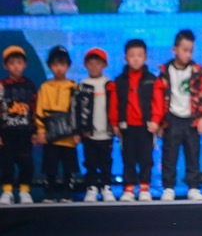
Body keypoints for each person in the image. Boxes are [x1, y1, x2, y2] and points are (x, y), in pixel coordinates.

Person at [150, 30, 202, 201]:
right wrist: (159, 122)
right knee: (169, 156)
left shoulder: (197, 71)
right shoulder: (165, 71)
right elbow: (159, 98)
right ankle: (168, 187)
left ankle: (193, 187)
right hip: (172, 119)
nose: (188, 54)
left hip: (191, 119)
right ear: (174, 50)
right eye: (185, 50)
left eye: (191, 51)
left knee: (193, 154)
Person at [108, 39, 157, 202]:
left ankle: (144, 187)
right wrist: (114, 123)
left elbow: (157, 102)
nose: (136, 59)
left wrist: (156, 121)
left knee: (146, 158)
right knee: (128, 158)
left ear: (145, 58)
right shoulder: (119, 81)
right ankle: (129, 188)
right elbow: (114, 103)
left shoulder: (152, 79)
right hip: (126, 127)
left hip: (146, 127)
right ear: (125, 58)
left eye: (139, 55)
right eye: (132, 55)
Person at [35, 46, 80, 202]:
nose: (59, 68)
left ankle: (67, 193)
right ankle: (49, 193)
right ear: (49, 66)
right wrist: (41, 131)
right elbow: (39, 111)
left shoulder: (74, 87)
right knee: (50, 166)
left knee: (69, 167)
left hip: (69, 135)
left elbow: (78, 112)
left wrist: (77, 132)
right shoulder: (45, 87)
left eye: (62, 64)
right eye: (55, 64)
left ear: (68, 65)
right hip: (50, 133)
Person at [0, 46, 37, 205]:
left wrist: (35, 131)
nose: (16, 66)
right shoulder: (2, 85)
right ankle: (7, 191)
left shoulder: (30, 85)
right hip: (6, 131)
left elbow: (35, 109)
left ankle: (24, 190)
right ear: (5, 65)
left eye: (19, 62)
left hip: (25, 132)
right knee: (6, 162)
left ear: (25, 64)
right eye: (12, 63)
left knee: (26, 162)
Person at [80, 48, 116, 202]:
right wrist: (81, 129)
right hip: (89, 133)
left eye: (98, 63)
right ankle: (92, 187)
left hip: (106, 132)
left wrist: (114, 126)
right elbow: (78, 109)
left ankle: (106, 186)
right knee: (90, 162)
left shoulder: (109, 85)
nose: (94, 66)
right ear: (85, 65)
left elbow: (114, 107)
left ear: (105, 65)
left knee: (106, 161)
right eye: (91, 63)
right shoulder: (83, 85)